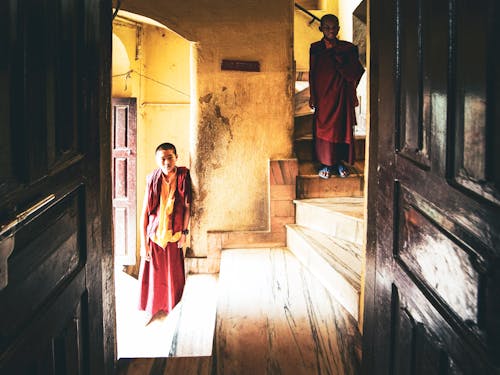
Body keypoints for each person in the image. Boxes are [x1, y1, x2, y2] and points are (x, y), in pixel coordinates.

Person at [138, 142, 192, 325]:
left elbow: (186, 208)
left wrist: (184, 232)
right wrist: (142, 243)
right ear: (157, 161)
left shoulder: (183, 177)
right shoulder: (152, 179)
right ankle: (151, 309)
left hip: (173, 234)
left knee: (173, 275)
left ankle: (174, 310)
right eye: (162, 158)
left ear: (176, 157)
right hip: (154, 235)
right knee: (153, 275)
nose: (166, 162)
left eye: (170, 157)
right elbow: (145, 212)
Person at [309, 14, 365, 179]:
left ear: (339, 29)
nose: (331, 30)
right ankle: (326, 163)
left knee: (341, 128)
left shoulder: (347, 49)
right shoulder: (316, 48)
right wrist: (313, 95)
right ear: (321, 29)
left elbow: (356, 71)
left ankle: (340, 162)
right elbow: (313, 73)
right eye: (327, 27)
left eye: (334, 27)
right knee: (324, 128)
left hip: (342, 96)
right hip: (324, 96)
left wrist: (352, 91)